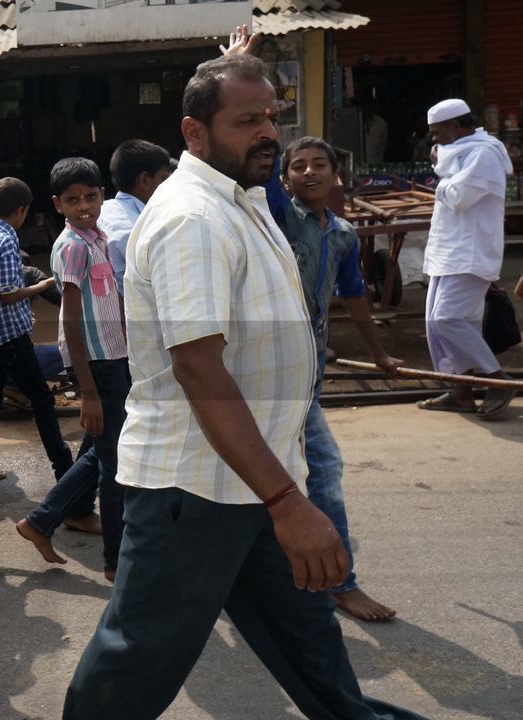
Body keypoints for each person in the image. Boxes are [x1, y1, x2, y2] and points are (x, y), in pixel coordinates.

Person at [63, 54, 423, 720]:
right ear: (193, 133)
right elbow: (199, 368)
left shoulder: (243, 197)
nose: (267, 133)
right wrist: (289, 502)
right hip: (194, 491)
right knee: (137, 659)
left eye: (271, 117)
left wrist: (282, 492)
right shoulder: (192, 220)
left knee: (313, 650)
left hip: (255, 480)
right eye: (246, 120)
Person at [272, 137, 404, 622]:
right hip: (277, 371)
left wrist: (380, 354)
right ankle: (341, 583)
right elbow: (265, 168)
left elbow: (354, 298)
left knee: (282, 475)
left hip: (309, 373)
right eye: (298, 166)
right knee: (322, 471)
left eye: (319, 164)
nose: (309, 172)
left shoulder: (344, 234)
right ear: (285, 179)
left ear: (335, 173)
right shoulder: (278, 218)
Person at [16, 157, 130, 578]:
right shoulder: (73, 246)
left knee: (99, 452)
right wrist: (88, 391)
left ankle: (41, 521)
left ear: (102, 196)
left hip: (115, 356)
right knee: (114, 465)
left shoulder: (98, 236)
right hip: (97, 365)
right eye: (72, 199)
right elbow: (70, 320)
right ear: (57, 204)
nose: (83, 204)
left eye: (91, 196)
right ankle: (116, 563)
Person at [0, 177, 73, 482]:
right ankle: (63, 468)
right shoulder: (7, 240)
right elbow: (9, 294)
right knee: (42, 399)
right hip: (10, 338)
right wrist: (42, 285)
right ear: (21, 211)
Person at [418, 98, 516, 418]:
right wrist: (443, 174)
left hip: (471, 252)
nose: (434, 140)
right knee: (437, 324)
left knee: (447, 318)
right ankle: (459, 390)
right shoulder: (459, 153)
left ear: (455, 126)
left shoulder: (484, 153)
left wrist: (440, 180)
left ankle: (496, 378)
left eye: (437, 133)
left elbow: (459, 197)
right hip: (449, 251)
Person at [100, 139, 173, 295]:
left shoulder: (103, 209)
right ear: (144, 180)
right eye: (164, 179)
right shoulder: (140, 231)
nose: (171, 186)